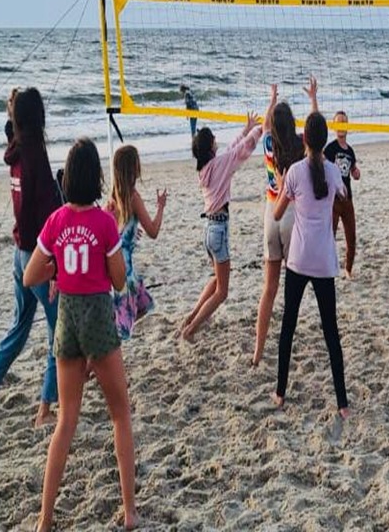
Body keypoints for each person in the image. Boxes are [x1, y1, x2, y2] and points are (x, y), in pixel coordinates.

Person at [22, 138, 137, 532]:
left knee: (66, 420)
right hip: (98, 318)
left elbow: (30, 275)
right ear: (97, 178)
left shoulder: (56, 221)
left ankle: (45, 517)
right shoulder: (104, 222)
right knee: (120, 414)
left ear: (68, 178)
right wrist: (100, 263)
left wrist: (58, 269)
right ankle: (130, 511)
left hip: (68, 320)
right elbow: (119, 281)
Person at [0, 86, 61, 426]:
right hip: (37, 255)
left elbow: (10, 127)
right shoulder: (34, 154)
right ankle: (45, 410)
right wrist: (54, 264)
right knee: (58, 331)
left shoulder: (15, 149)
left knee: (19, 326)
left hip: (20, 253)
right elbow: (48, 215)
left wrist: (13, 107)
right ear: (38, 117)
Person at [270, 111, 350, 417]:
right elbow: (343, 196)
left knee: (288, 327)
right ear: (325, 139)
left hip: (299, 260)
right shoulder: (332, 171)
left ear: (305, 138)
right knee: (331, 332)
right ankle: (342, 404)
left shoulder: (294, 172)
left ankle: (280, 393)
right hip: (324, 261)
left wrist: (282, 187)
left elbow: (277, 214)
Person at [253, 79, 320, 367]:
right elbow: (316, 129)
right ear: (292, 123)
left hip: (271, 215)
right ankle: (285, 347)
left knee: (269, 289)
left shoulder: (268, 143)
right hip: (291, 216)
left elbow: (267, 125)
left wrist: (272, 98)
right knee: (293, 290)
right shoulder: (300, 144)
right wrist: (313, 99)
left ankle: (257, 352)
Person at [181, 110, 264, 342]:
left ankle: (191, 317)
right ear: (210, 147)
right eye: (214, 139)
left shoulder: (206, 168)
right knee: (222, 292)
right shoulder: (219, 164)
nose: (217, 140)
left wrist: (247, 129)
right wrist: (262, 128)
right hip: (218, 230)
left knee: (216, 280)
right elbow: (242, 150)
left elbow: (231, 150)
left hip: (209, 229)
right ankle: (191, 330)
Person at [107, 145, 167, 341]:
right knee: (123, 327)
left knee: (141, 306)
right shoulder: (133, 197)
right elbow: (153, 231)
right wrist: (160, 207)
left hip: (114, 264)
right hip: (125, 270)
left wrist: (130, 233)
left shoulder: (112, 198)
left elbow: (113, 230)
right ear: (133, 168)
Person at [324, 110, 360, 278]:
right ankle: (327, 269)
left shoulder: (350, 151)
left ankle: (348, 270)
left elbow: (353, 170)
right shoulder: (330, 149)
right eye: (338, 122)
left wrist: (356, 173)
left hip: (347, 199)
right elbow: (322, 167)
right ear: (333, 126)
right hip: (333, 200)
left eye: (344, 122)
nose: (341, 126)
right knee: (329, 237)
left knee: (351, 238)